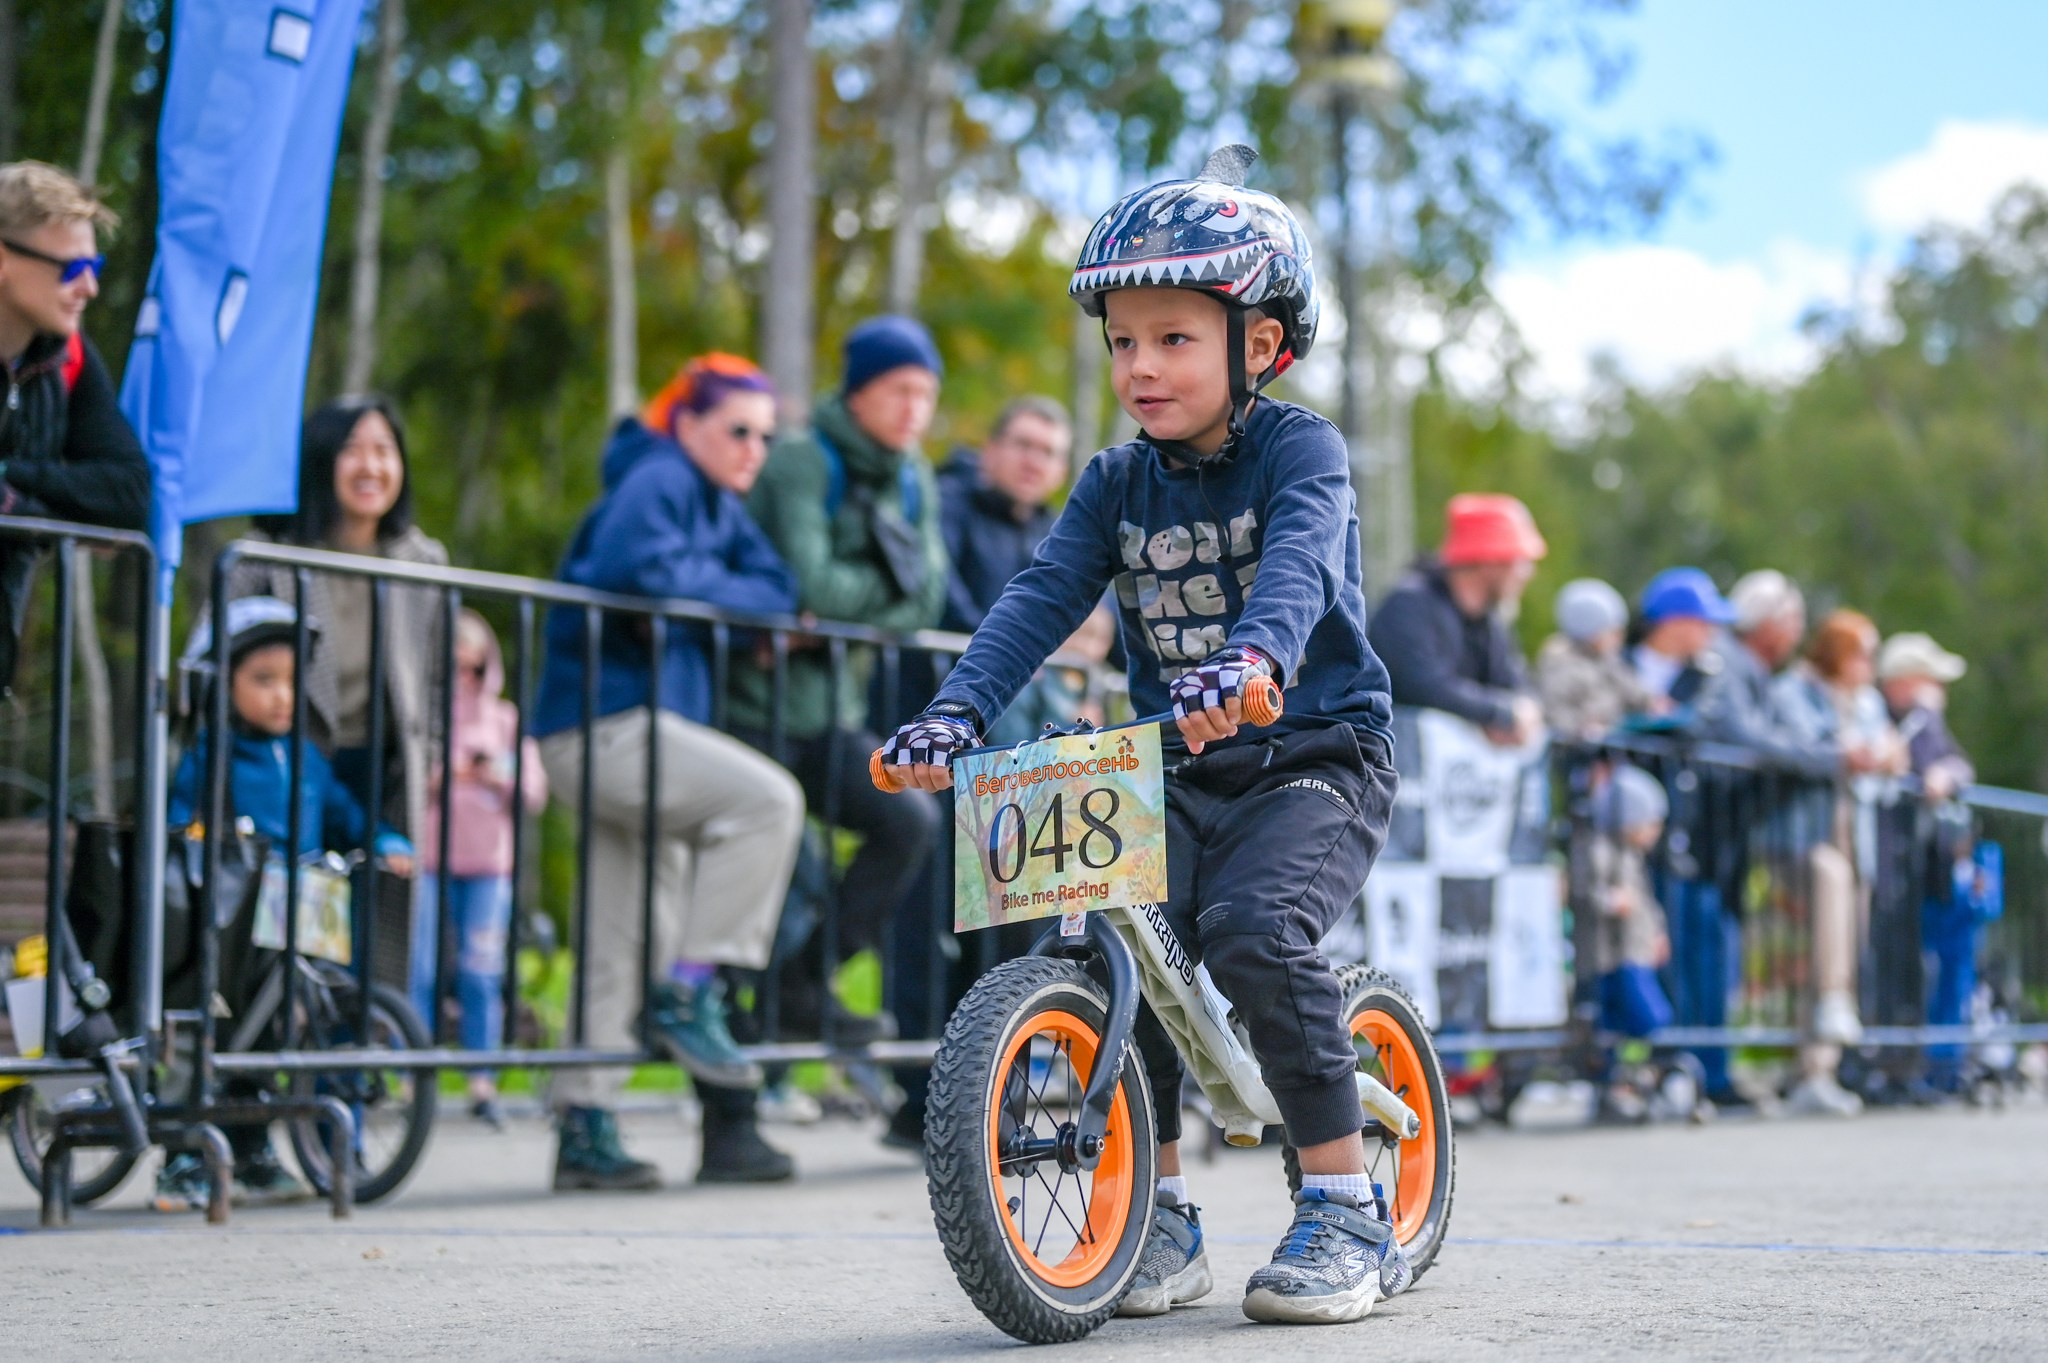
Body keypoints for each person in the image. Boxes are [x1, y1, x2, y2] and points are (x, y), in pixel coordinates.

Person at [879, 146, 1408, 1326]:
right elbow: (1038, 596)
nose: (1139, 366)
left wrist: (1253, 659)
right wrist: (953, 709)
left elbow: (1299, 566)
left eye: (1173, 338)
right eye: (1121, 341)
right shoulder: (1116, 481)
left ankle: (1342, 1204)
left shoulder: (1298, 450)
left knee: (1250, 930)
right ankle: (1155, 1206)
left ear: (1257, 347)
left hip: (1311, 753)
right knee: (1127, 941)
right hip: (1168, 757)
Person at [534, 353, 807, 1190]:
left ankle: (583, 1127)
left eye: (764, 435)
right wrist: (727, 598)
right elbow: (637, 574)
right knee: (769, 802)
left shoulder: (714, 499)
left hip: (631, 734)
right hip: (606, 725)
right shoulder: (658, 477)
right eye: (737, 430)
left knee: (619, 934)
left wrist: (719, 595)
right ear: (685, 423)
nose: (753, 449)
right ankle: (692, 991)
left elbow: (780, 585)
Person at [732, 317, 949, 1041]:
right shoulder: (802, 458)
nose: (915, 409)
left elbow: (926, 599)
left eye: (927, 394)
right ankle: (736, 1090)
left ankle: (800, 986)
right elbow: (809, 580)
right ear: (858, 392)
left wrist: (837, 605)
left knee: (908, 819)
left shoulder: (913, 477)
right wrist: (869, 592)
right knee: (776, 881)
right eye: (900, 390)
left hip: (833, 713)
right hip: (750, 709)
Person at [157, 598, 413, 1211]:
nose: (281, 696)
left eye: (290, 682)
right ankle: (182, 1155)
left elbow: (344, 816)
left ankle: (251, 1149)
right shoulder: (209, 754)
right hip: (229, 916)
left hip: (294, 912)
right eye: (263, 681)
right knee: (216, 1024)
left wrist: (383, 839)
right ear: (226, 685)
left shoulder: (307, 759)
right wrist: (197, 839)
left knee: (272, 1031)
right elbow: (175, 820)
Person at [1678, 570, 1882, 1110]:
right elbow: (1749, 739)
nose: (1795, 632)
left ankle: (1718, 1072)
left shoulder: (1756, 672)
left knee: (1722, 948)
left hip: (1730, 830)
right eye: (1790, 619)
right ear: (1768, 621)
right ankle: (1706, 1072)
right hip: (1707, 827)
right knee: (1701, 947)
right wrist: (1831, 757)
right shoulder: (1733, 665)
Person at [230, 397, 450, 851]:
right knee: (285, 910)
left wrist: (428, 753)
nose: (371, 466)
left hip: (385, 769)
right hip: (283, 762)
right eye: (352, 449)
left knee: (377, 908)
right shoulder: (267, 553)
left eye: (384, 450)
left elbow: (437, 679)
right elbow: (214, 658)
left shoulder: (423, 562)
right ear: (320, 457)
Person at [0, 162, 151, 690]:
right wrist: (52, 514)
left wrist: (15, 485)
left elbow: (129, 495)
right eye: (70, 268)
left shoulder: (69, 357)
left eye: (96, 265)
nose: (89, 287)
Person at [411, 609, 548, 1129]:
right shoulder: (424, 715)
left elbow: (534, 790)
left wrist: (492, 775)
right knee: (420, 972)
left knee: (479, 971)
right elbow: (407, 777)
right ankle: (412, 1077)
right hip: (429, 858)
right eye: (454, 667)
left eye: (474, 667)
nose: (465, 678)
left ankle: (480, 1080)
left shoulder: (505, 719)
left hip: (489, 863)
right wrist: (449, 773)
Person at [1876, 632, 1984, 1093]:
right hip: (1886, 863)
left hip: (1924, 869)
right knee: (1890, 966)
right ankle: (1887, 1067)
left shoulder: (1929, 723)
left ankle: (1921, 1067)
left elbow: (1960, 765)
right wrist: (1923, 717)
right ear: (1905, 681)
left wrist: (1946, 771)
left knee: (1926, 969)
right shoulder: (1895, 717)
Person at [1367, 492, 1545, 746]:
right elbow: (1422, 685)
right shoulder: (1408, 604)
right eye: (1521, 561)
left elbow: (1516, 685)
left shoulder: (1490, 620)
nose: (1528, 573)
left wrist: (1522, 711)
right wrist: (1498, 713)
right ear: (1490, 562)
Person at [936, 396, 1071, 633]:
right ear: (990, 449)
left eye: (1048, 453)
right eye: (1023, 445)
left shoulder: (1062, 535)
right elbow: (941, 594)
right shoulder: (945, 503)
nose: (1034, 463)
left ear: (1062, 472)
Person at [1586, 764, 1674, 1123]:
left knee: (1634, 1021)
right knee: (1638, 1017)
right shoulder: (1600, 851)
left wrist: (1658, 932)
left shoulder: (1634, 859)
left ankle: (1637, 1078)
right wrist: (1610, 900)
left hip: (1636, 951)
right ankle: (1621, 1082)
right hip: (1615, 956)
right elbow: (1588, 891)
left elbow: (1648, 903)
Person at [1535, 577, 1659, 739]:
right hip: (1579, 748)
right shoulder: (1564, 666)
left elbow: (1632, 690)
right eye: (1613, 632)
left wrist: (1651, 702)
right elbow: (1554, 711)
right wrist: (1579, 728)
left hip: (1612, 741)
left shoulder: (1608, 662)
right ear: (1591, 633)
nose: (1620, 639)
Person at [1628, 567, 1735, 709]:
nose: (1712, 631)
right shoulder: (1613, 667)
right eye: (1704, 622)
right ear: (1674, 623)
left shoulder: (1709, 678)